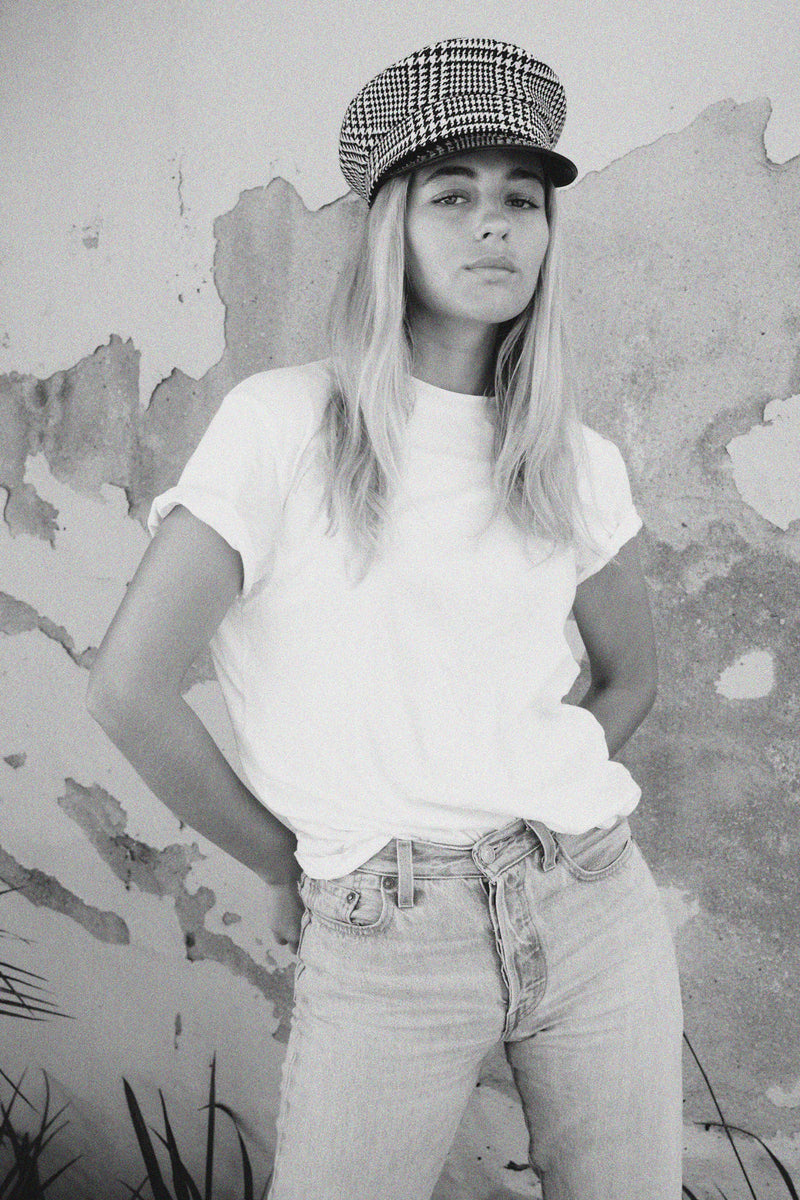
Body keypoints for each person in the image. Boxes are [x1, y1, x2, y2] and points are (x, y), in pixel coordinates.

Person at [87, 37, 684, 1200]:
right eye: (451, 195)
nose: (493, 223)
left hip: (590, 900)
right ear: (388, 228)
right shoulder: (282, 428)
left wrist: (535, 784)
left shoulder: (571, 456)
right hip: (387, 926)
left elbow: (629, 677)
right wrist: (292, 859)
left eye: (521, 198)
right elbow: (127, 691)